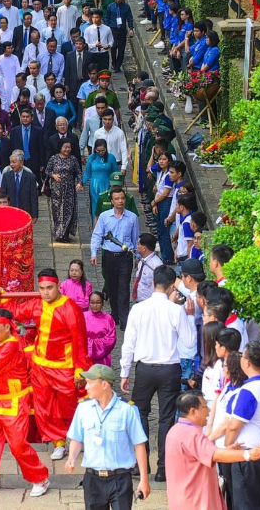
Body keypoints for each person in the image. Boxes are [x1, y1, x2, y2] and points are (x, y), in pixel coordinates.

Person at [0, 270, 90, 460]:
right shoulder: (37, 304)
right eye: (42, 288)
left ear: (58, 286)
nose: (45, 293)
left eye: (49, 288)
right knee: (44, 406)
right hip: (40, 367)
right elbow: (17, 312)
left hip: (64, 367)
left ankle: (75, 438)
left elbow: (80, 341)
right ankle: (58, 442)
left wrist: (80, 369)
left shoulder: (70, 308)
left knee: (67, 406)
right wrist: (1, 294)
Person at [119, 265, 196, 481]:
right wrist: (189, 316)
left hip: (144, 368)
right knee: (167, 417)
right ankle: (163, 468)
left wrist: (125, 371)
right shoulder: (176, 310)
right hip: (169, 368)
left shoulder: (138, 309)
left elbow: (128, 344)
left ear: (153, 283)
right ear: (172, 286)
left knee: (139, 414)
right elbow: (189, 341)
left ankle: (139, 463)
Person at [0, 308, 52, 497]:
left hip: (13, 402)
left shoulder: (11, 345)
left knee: (18, 445)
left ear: (7, 327)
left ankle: (40, 478)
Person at [165, 391, 260, 510]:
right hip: (195, 501)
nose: (209, 411)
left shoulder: (175, 430)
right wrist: (248, 454)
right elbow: (214, 454)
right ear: (193, 412)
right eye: (205, 407)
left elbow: (200, 454)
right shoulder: (192, 434)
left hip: (182, 498)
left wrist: (227, 451)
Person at [63, 363, 150, 510]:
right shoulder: (83, 408)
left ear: (104, 385)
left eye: (90, 383)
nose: (86, 387)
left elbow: (139, 445)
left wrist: (144, 479)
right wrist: (71, 457)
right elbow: (77, 438)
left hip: (120, 479)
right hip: (93, 479)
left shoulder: (127, 410)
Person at [224, 342, 260, 510]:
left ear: (247, 363)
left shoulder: (248, 391)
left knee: (246, 502)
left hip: (249, 453)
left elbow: (234, 426)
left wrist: (228, 446)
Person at [90, 190, 140, 329]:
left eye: (122, 198)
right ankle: (115, 314)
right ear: (112, 201)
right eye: (117, 198)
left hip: (125, 256)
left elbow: (136, 238)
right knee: (111, 286)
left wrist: (138, 257)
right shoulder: (105, 217)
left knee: (124, 286)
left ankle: (124, 319)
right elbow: (97, 235)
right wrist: (94, 253)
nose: (120, 201)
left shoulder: (132, 217)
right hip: (109, 256)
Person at [44, 140, 83, 242]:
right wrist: (53, 175)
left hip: (69, 190)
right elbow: (47, 171)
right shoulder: (54, 158)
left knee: (68, 212)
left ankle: (65, 234)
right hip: (56, 190)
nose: (67, 149)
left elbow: (78, 173)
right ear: (60, 147)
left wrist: (79, 183)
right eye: (65, 147)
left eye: (69, 147)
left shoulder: (73, 159)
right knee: (57, 211)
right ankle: (58, 232)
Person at [83, 138, 117, 217]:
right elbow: (87, 173)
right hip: (94, 186)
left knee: (107, 207)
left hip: (107, 185)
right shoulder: (91, 158)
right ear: (95, 149)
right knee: (96, 208)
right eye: (98, 151)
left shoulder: (111, 157)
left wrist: (115, 186)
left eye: (103, 150)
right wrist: (81, 183)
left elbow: (115, 173)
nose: (100, 153)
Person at [0, 150, 38, 218]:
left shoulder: (30, 177)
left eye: (14, 162)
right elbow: (3, 194)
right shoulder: (6, 176)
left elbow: (33, 197)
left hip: (25, 211)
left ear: (21, 163)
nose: (11, 164)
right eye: (10, 162)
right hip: (10, 211)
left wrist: (35, 215)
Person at [84, 292, 117, 367]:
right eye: (92, 302)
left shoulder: (108, 319)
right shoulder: (83, 316)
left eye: (98, 303)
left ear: (102, 304)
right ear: (89, 303)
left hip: (103, 358)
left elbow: (111, 339)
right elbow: (77, 335)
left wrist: (90, 346)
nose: (95, 305)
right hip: (85, 358)